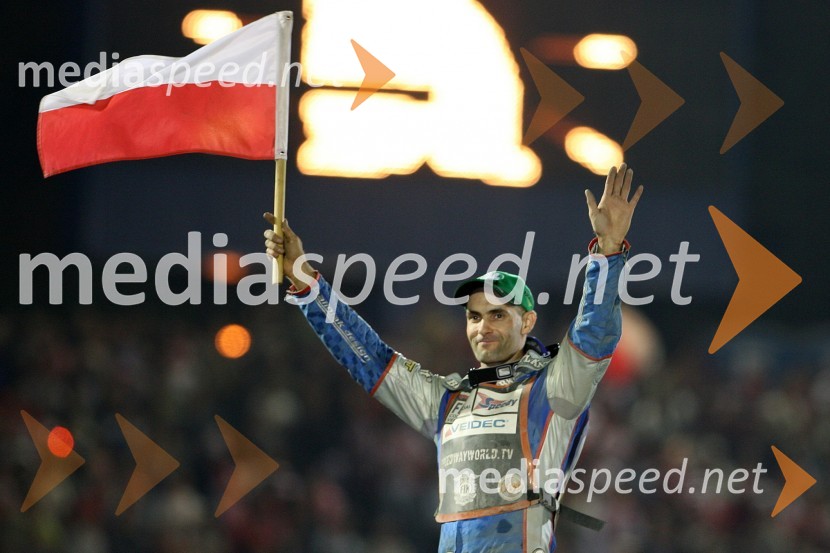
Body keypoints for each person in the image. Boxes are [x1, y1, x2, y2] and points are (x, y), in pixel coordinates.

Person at [263, 164, 643, 552]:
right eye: (474, 317)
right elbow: (369, 358)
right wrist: (306, 279)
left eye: (498, 314)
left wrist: (608, 253)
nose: (483, 327)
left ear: (527, 320)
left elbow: (593, 334)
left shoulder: (556, 389)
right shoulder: (448, 399)